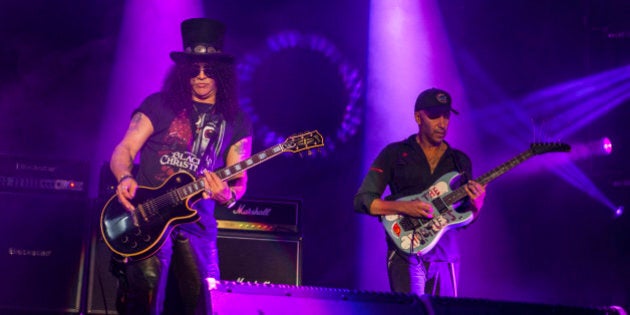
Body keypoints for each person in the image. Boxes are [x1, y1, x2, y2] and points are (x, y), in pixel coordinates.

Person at [108, 18, 252, 314]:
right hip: (149, 214)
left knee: (204, 302)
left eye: (208, 71)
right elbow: (124, 149)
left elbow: (239, 181)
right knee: (145, 298)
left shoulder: (237, 120)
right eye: (193, 70)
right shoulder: (158, 105)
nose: (200, 77)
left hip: (198, 222)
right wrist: (124, 176)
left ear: (221, 75)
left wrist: (226, 196)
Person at [353, 88, 486, 297]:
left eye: (446, 116)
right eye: (434, 116)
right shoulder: (394, 153)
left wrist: (477, 207)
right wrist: (404, 207)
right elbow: (362, 200)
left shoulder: (460, 161)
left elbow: (462, 219)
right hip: (405, 251)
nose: (442, 123)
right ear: (418, 117)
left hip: (445, 256)